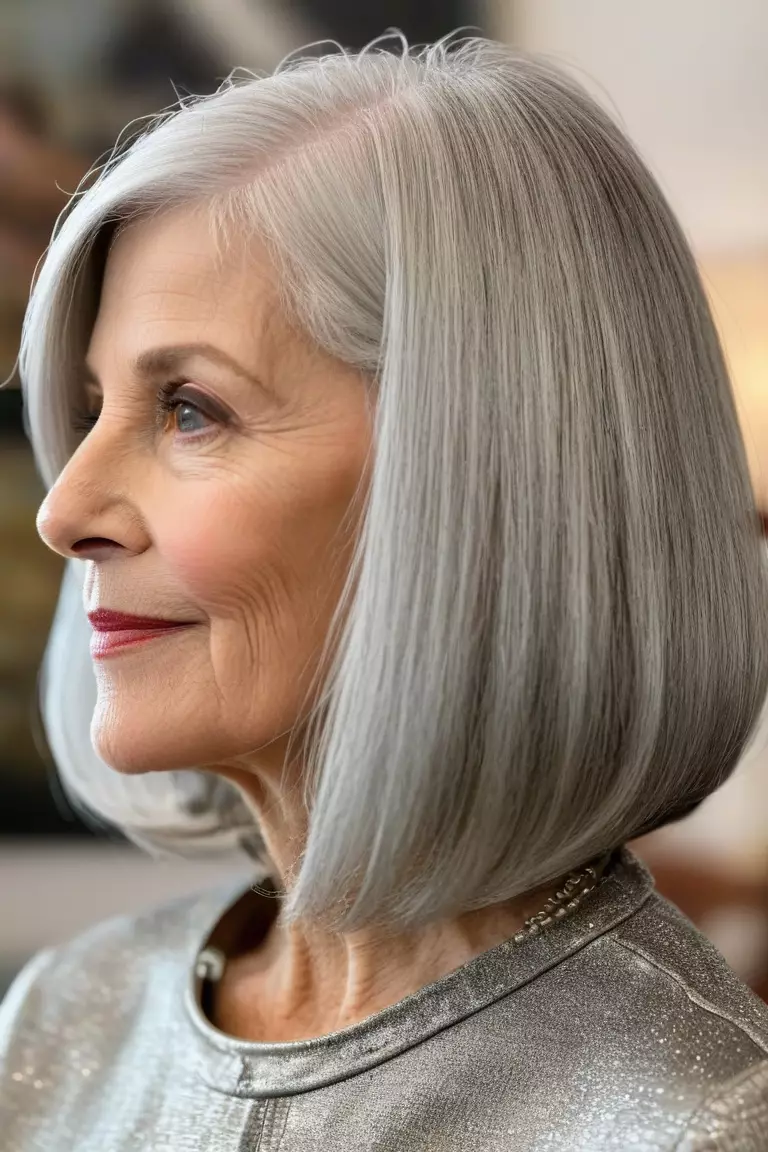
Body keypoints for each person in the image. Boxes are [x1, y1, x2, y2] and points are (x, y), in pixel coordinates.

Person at [2, 35, 768, 1150]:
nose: (64, 510)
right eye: (90, 409)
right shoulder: (61, 1021)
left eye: (190, 410)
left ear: (475, 479)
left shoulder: (695, 1124)